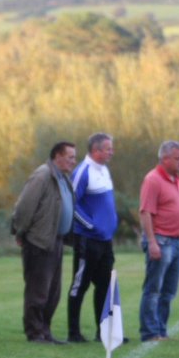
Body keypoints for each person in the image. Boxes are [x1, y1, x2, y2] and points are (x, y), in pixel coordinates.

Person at [11, 142, 76, 343]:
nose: (74, 162)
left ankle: (45, 331)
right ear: (57, 155)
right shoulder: (42, 176)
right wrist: (20, 232)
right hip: (39, 241)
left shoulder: (62, 177)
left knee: (53, 292)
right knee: (38, 291)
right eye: (70, 157)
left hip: (55, 241)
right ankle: (34, 332)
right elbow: (25, 207)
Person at [67, 132, 121, 343]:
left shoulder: (105, 170)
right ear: (96, 150)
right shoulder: (83, 171)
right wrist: (91, 225)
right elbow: (71, 203)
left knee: (106, 285)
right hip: (87, 240)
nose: (111, 152)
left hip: (105, 241)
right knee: (80, 285)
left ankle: (103, 332)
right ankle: (74, 333)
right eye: (108, 148)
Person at [138, 140, 179, 342]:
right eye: (178, 158)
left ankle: (161, 330)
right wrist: (152, 242)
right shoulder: (153, 180)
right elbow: (145, 212)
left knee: (169, 291)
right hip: (161, 241)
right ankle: (149, 332)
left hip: (177, 242)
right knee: (153, 290)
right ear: (165, 159)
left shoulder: (175, 178)